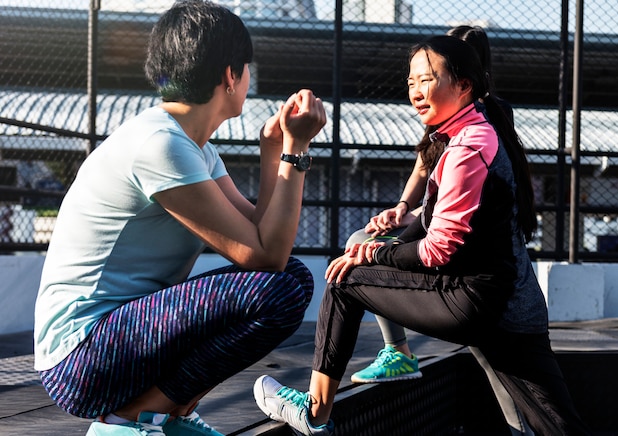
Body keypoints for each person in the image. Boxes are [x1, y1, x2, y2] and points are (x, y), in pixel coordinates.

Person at [253, 35, 590, 435]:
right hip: (513, 306)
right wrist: (386, 238)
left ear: (464, 85)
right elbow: (431, 222)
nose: (415, 92)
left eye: (426, 80)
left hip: (477, 302)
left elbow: (437, 250)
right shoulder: (464, 134)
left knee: (345, 280)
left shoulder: (468, 146)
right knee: (557, 425)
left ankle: (315, 412)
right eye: (410, 82)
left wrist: (370, 256)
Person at [33, 2, 326, 436]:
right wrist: (296, 151)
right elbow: (266, 257)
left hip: (115, 342)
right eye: (246, 68)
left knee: (293, 280)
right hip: (80, 358)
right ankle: (130, 421)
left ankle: (167, 415)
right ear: (231, 75)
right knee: (281, 289)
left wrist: (273, 150)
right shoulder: (159, 145)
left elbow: (264, 237)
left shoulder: (193, 147)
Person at [348, 24, 534, 436]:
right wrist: (400, 209)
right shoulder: (442, 115)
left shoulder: (486, 119)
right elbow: (423, 166)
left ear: (466, 72)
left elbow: (487, 187)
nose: (421, 80)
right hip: (440, 220)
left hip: (472, 237)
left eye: (436, 68)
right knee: (361, 241)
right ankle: (397, 352)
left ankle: (521, 427)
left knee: (497, 358)